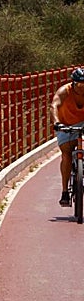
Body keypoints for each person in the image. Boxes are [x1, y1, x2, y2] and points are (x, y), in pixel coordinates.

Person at [51, 67, 84, 206]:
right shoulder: (64, 91)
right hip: (66, 124)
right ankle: (65, 191)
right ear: (73, 83)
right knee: (66, 153)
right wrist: (57, 123)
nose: (82, 87)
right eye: (79, 84)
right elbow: (54, 105)